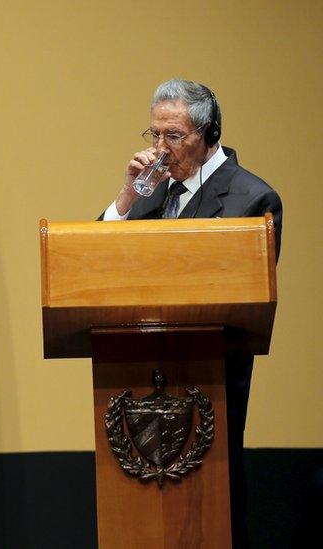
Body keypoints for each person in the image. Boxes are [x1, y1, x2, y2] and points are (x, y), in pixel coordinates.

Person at [101, 78, 283, 547]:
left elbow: (242, 298)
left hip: (211, 375)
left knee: (212, 511)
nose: (160, 148)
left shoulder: (253, 200)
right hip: (138, 365)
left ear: (210, 134)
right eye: (154, 134)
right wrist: (126, 197)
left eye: (174, 136)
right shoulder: (151, 193)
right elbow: (97, 260)